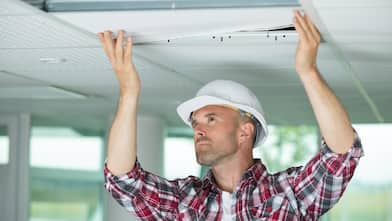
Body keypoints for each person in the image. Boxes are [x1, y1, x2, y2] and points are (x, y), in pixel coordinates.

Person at [98, 10, 363, 220]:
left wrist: (308, 71)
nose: (198, 130)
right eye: (195, 123)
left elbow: (341, 155)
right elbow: (123, 180)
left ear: (244, 131)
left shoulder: (287, 194)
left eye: (211, 119)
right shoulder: (183, 202)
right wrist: (129, 93)